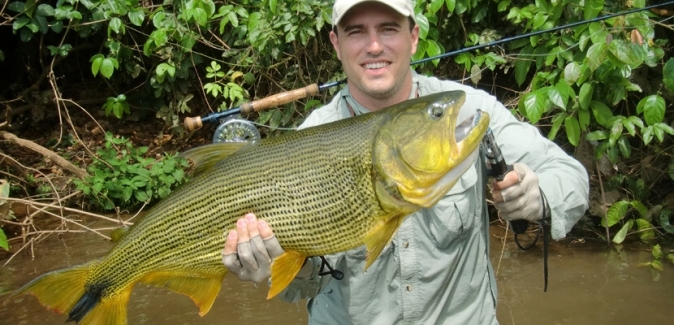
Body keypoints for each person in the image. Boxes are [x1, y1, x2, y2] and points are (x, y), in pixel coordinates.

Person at [222, 0, 589, 323]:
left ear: (413, 36)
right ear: (336, 43)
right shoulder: (310, 140)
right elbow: (303, 284)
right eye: (356, 32)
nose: (374, 45)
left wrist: (537, 196)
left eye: (388, 29)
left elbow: (570, 176)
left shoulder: (461, 112)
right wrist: (274, 266)